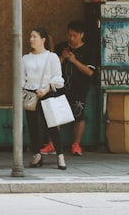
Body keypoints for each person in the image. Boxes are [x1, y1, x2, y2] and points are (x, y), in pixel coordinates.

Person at [24, 27, 67, 171]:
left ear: (43, 40)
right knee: (32, 126)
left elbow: (58, 77)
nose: (31, 39)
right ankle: (36, 155)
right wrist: (26, 88)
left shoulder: (52, 57)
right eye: (30, 36)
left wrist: (46, 89)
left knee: (52, 126)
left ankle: (60, 156)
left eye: (34, 36)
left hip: (47, 92)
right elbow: (21, 77)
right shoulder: (25, 58)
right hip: (31, 93)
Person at [52, 20, 97, 157]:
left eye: (75, 36)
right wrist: (62, 58)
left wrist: (74, 61)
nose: (71, 39)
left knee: (79, 116)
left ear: (82, 35)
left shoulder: (89, 50)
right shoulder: (61, 47)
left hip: (80, 88)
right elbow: (52, 68)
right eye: (70, 35)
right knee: (55, 115)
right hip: (61, 87)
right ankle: (52, 144)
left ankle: (76, 144)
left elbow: (90, 72)